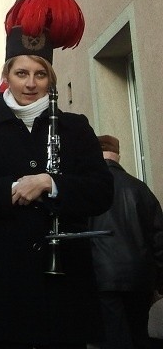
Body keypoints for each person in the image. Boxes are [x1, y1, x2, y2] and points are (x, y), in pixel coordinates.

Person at [0, 0, 114, 348]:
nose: (31, 83)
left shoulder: (74, 126)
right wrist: (13, 189)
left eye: (40, 74)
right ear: (7, 76)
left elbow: (102, 191)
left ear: (50, 78)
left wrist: (50, 184)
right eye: (22, 73)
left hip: (65, 286)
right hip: (3, 286)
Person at [88, 134, 163, 349]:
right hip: (140, 278)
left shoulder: (88, 190)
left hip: (102, 278)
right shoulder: (140, 189)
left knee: (113, 339)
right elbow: (158, 237)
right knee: (139, 335)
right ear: (118, 156)